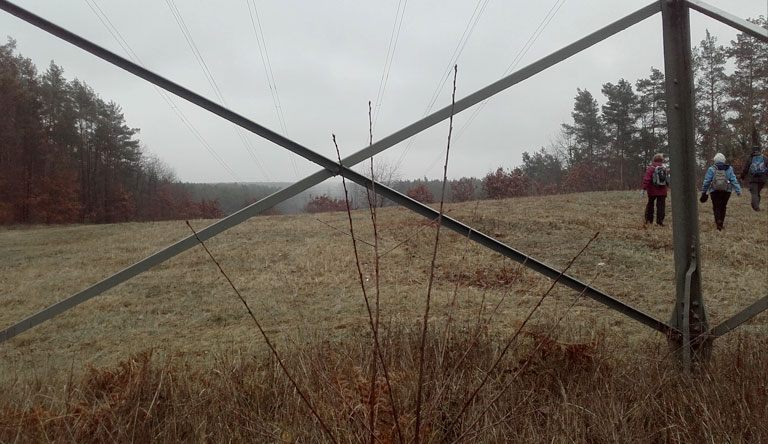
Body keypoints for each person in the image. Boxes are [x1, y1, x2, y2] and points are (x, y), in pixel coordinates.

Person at [700, 152, 741, 231]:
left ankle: (718, 221)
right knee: (723, 206)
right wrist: (738, 190)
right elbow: (733, 180)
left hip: (714, 191)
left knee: (716, 207)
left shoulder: (711, 169)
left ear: (715, 160)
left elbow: (707, 182)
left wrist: (704, 191)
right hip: (727, 191)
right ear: (724, 160)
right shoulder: (729, 169)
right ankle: (721, 221)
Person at [641, 153, 669, 227]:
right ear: (661, 160)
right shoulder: (664, 168)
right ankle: (660, 222)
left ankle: (649, 220)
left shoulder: (651, 168)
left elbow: (646, 179)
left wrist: (644, 188)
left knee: (650, 205)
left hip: (652, 190)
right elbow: (666, 179)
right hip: (662, 190)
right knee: (661, 207)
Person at [740, 140, 766, 211]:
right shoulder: (764, 158)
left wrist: (742, 176)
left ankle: (756, 207)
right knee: (758, 192)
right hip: (762, 179)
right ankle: (757, 206)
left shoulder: (750, 158)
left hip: (753, 178)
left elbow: (746, 168)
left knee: (754, 193)